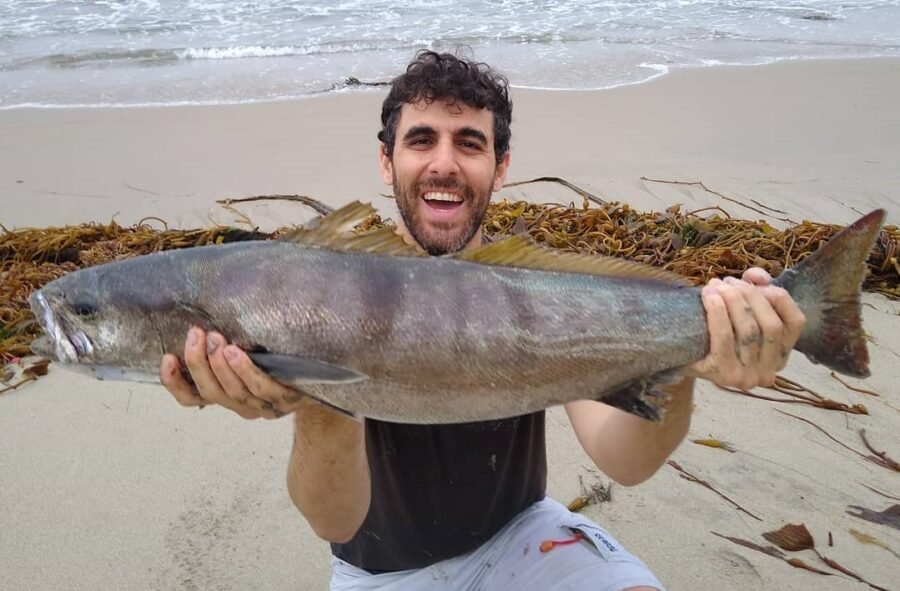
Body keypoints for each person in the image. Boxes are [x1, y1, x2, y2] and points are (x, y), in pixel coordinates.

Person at [159, 51, 806, 590]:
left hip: (524, 537)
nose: (443, 162)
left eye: (469, 143)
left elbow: (624, 458)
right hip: (381, 572)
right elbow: (335, 518)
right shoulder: (320, 285)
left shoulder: (545, 292)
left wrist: (689, 353)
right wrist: (315, 393)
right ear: (387, 163)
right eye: (421, 140)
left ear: (499, 168)